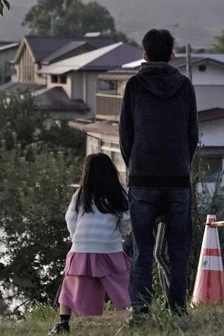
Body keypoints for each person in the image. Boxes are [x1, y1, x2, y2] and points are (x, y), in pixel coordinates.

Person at [119, 28, 199, 320]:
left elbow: (125, 135)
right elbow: (193, 135)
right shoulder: (185, 86)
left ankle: (140, 313)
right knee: (178, 252)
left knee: (142, 251)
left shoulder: (134, 86)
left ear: (144, 54)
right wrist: (182, 165)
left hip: (142, 180)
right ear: (172, 55)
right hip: (178, 180)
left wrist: (135, 166)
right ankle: (178, 312)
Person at [49, 153, 132, 334]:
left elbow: (70, 218)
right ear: (111, 171)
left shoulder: (81, 194)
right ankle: (131, 316)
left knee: (70, 285)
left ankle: (63, 323)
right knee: (122, 284)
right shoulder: (120, 192)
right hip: (109, 248)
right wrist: (121, 234)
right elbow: (127, 219)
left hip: (81, 247)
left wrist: (75, 237)